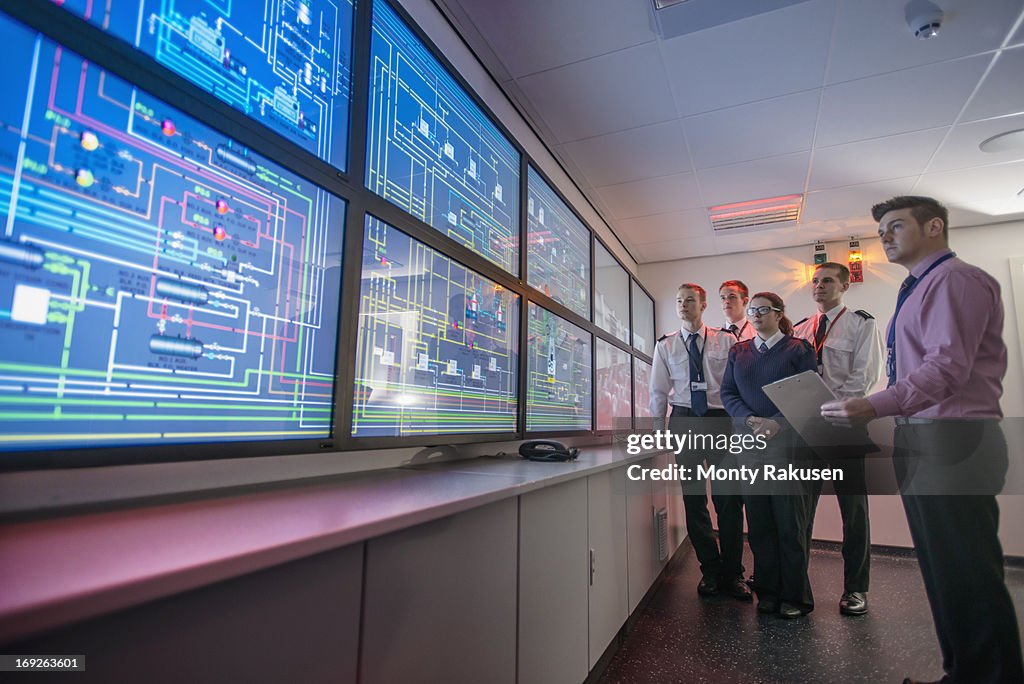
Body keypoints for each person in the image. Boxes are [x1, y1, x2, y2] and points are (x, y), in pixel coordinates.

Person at [822, 196, 1023, 683]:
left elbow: (947, 369)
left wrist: (874, 404)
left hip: (953, 440)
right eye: (882, 230)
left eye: (895, 226)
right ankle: (964, 672)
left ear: (934, 227)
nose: (885, 237)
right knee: (943, 570)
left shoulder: (954, 280)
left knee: (968, 572)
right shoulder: (920, 287)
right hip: (928, 439)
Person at [649, 283, 751, 601]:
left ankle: (734, 573)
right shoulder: (665, 346)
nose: (683, 305)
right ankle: (710, 570)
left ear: (703, 305)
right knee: (694, 502)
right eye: (678, 301)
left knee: (729, 502)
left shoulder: (727, 339)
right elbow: (657, 392)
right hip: (684, 421)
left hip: (721, 422)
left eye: (689, 300)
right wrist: (657, 432)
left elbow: (739, 385)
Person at [792, 262, 883, 616]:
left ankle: (856, 588)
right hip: (806, 428)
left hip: (844, 426)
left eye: (827, 280)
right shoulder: (801, 327)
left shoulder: (861, 322)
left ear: (845, 285)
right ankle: (796, 586)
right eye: (814, 281)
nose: (819, 286)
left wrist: (832, 408)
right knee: (799, 511)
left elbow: (865, 376)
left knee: (854, 510)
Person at [721, 292, 816, 618]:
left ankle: (796, 596)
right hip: (750, 446)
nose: (757, 314)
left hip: (787, 446)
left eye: (763, 309)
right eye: (753, 310)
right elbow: (728, 393)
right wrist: (749, 420)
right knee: (759, 523)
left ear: (779, 314)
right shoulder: (739, 352)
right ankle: (769, 592)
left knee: (790, 523)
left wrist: (777, 424)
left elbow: (808, 395)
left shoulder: (798, 349)